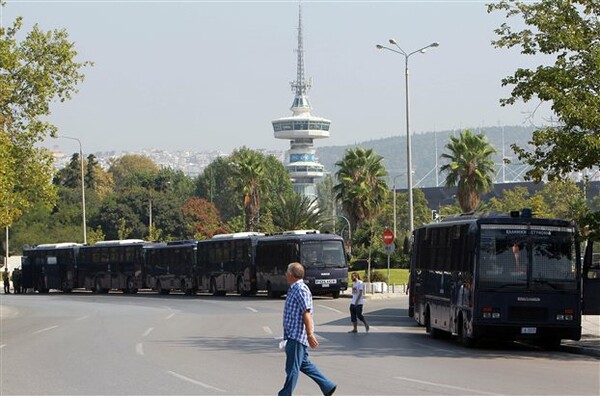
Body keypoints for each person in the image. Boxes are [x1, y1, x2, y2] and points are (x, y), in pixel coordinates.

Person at [279, 262, 336, 396]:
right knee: (303, 364)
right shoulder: (294, 288)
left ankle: (285, 394)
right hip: (291, 335)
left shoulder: (301, 290)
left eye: (287, 272)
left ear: (292, 275)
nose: (286, 275)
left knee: (292, 368)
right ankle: (327, 386)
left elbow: (307, 313)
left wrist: (310, 334)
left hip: (297, 336)